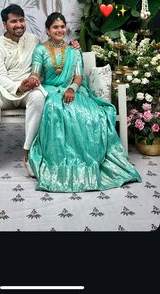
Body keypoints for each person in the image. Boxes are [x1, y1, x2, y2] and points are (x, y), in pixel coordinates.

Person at [27, 12, 142, 192]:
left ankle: (92, 162)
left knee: (92, 114)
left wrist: (72, 88)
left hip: (74, 88)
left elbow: (79, 76)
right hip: (50, 90)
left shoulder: (74, 50)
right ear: (48, 30)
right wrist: (33, 78)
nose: (59, 30)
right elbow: (35, 72)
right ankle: (64, 165)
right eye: (55, 27)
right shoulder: (40, 50)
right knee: (57, 109)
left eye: (62, 26)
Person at [0, 4, 81, 181]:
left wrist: (71, 45)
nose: (18, 25)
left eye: (21, 20)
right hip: (6, 90)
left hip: (29, 89)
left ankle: (28, 154)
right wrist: (18, 87)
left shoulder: (32, 40)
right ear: (4, 24)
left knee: (39, 96)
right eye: (13, 21)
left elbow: (53, 46)